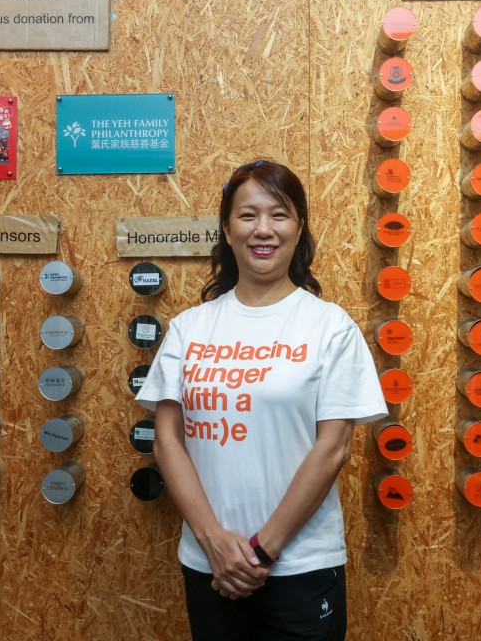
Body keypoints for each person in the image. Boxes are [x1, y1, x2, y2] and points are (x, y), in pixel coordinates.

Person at [135, 159, 387, 640]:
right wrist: (213, 541)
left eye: (279, 214)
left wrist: (260, 552)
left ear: (299, 229)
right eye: (248, 215)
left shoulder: (330, 327)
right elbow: (167, 440)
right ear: (227, 230)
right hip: (209, 563)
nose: (263, 229)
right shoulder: (191, 327)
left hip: (301, 565)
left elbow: (333, 448)